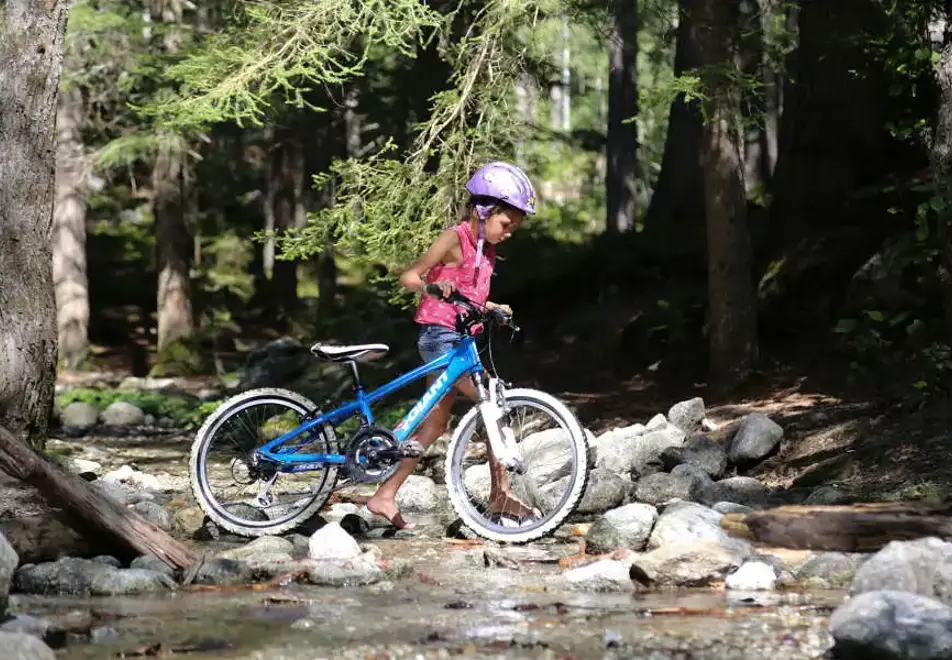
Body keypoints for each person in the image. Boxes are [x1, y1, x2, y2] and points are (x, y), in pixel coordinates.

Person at [364, 161, 538, 530]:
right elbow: (409, 275)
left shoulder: (486, 252)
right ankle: (500, 494)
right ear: (484, 211)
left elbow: (469, 296)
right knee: (493, 401)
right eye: (505, 225)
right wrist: (430, 287)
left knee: (435, 424)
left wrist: (491, 308)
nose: (508, 234)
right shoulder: (454, 238)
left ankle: (384, 495)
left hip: (463, 339)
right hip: (439, 337)